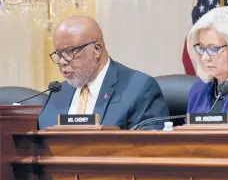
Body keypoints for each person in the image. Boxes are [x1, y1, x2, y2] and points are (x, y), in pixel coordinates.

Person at [38, 15, 169, 130]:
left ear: (96, 49)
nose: (62, 61)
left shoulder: (139, 88)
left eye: (69, 52)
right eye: (59, 54)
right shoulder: (58, 94)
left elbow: (149, 149)